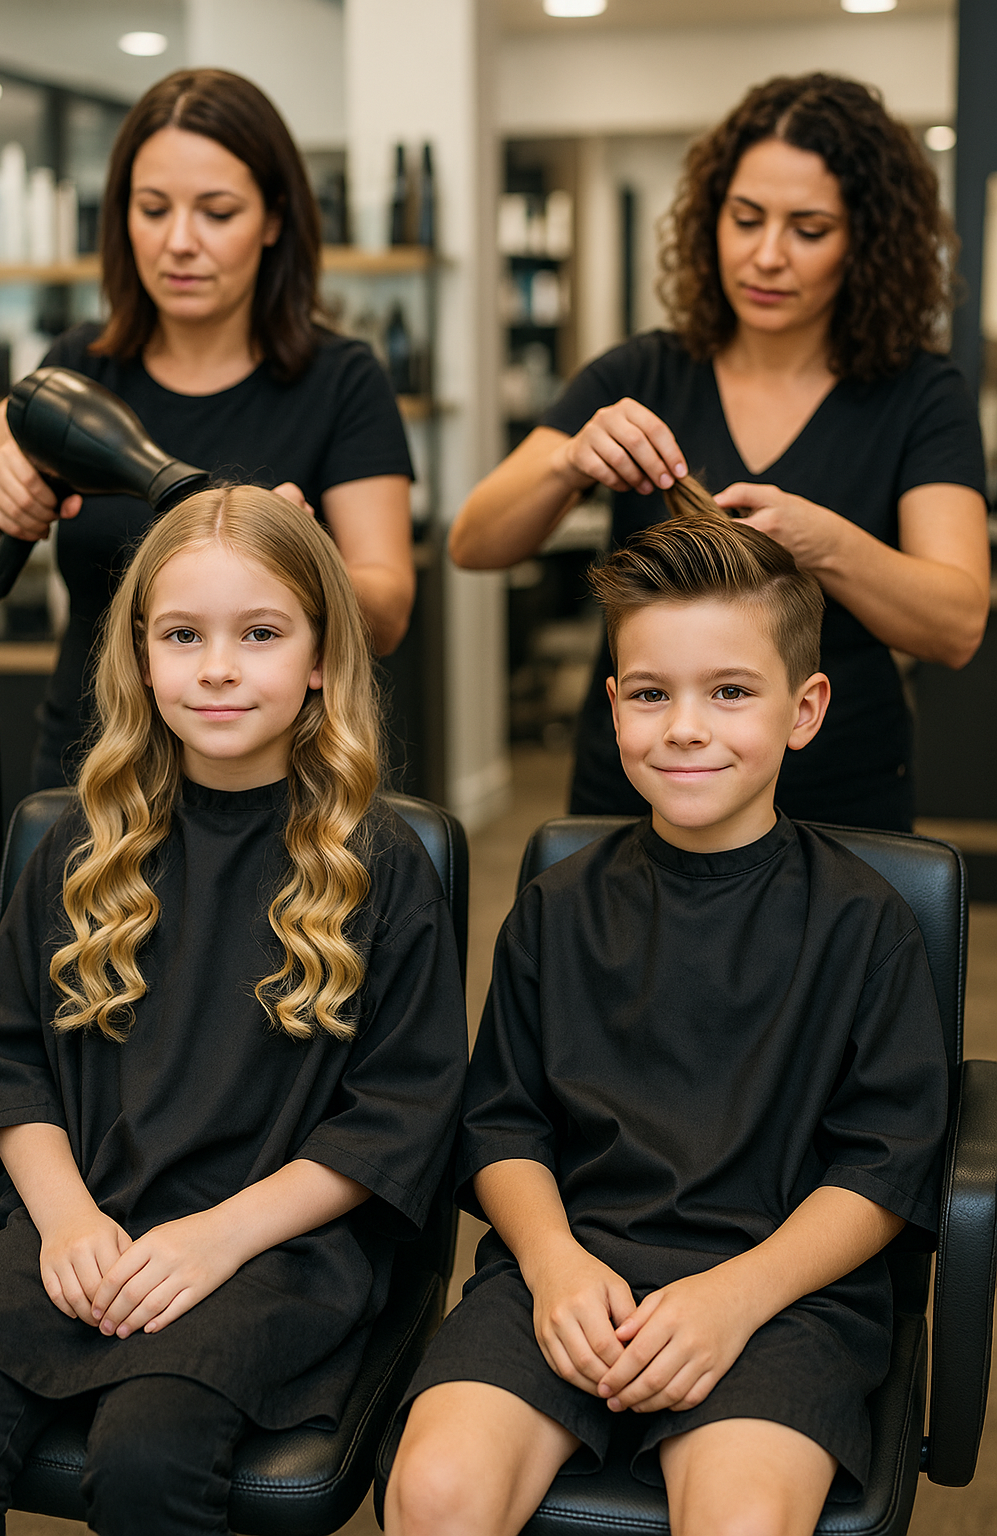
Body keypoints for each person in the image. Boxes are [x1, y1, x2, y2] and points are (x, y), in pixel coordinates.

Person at [386, 486, 948, 1536]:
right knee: (433, 1493)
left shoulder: (865, 924)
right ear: (611, 709)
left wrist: (733, 1298)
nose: (685, 728)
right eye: (650, 695)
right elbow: (501, 1126)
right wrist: (553, 1266)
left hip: (783, 1291)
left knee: (738, 1518)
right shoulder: (555, 904)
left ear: (805, 709)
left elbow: (882, 1169)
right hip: (574, 1263)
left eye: (730, 693)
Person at [0, 486, 466, 1533]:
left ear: (322, 657)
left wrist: (216, 1240)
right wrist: (64, 1221)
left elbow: (398, 1117)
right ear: (140, 656)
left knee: (149, 1454)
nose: (218, 668)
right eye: (182, 635)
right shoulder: (77, 846)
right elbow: (3, 1058)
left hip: (274, 1246)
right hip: (83, 1215)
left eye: (260, 634)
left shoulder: (380, 868)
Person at [451, 72, 990, 831]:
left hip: (838, 798)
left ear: (865, 242)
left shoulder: (920, 395)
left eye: (808, 229)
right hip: (641, 793)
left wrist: (823, 543)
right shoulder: (641, 372)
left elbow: (958, 623)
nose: (767, 255)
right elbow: (473, 543)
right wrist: (568, 461)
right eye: (745, 219)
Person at [0, 68, 416, 790]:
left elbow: (389, 611)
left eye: (216, 212)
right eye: (153, 209)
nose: (179, 242)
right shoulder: (72, 378)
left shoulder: (342, 380)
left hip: (281, 788)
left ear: (274, 219)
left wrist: (303, 557)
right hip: (94, 771)